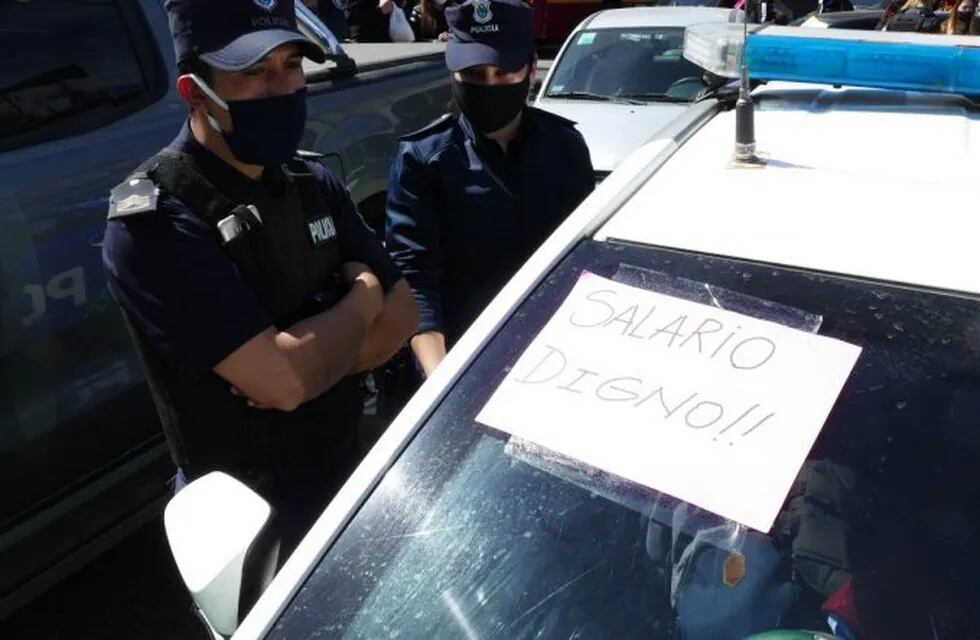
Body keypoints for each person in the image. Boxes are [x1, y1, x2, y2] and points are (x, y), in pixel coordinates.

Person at [102, 0, 418, 557]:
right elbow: (285, 382)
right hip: (250, 521)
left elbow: (406, 313)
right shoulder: (156, 219)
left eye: (291, 65)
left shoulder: (309, 179)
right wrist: (362, 298)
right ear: (196, 91)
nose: (281, 88)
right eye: (252, 73)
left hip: (349, 476)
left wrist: (312, 358)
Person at [385, 0, 595, 378]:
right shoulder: (424, 159)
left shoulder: (565, 147)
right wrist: (441, 380)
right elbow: (415, 279)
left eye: (504, 72)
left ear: (531, 69)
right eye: (475, 73)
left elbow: (587, 260)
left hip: (559, 360)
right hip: (461, 364)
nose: (490, 85)